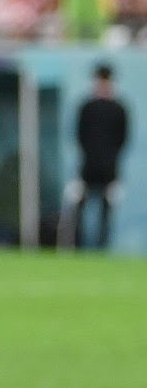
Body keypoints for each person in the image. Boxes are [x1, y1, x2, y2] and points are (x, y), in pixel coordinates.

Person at [65, 64, 129, 249]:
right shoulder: (87, 107)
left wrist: (114, 169)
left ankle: (102, 245)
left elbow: (122, 139)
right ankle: (79, 245)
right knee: (80, 208)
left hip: (109, 169)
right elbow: (80, 136)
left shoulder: (119, 109)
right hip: (87, 168)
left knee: (106, 211)